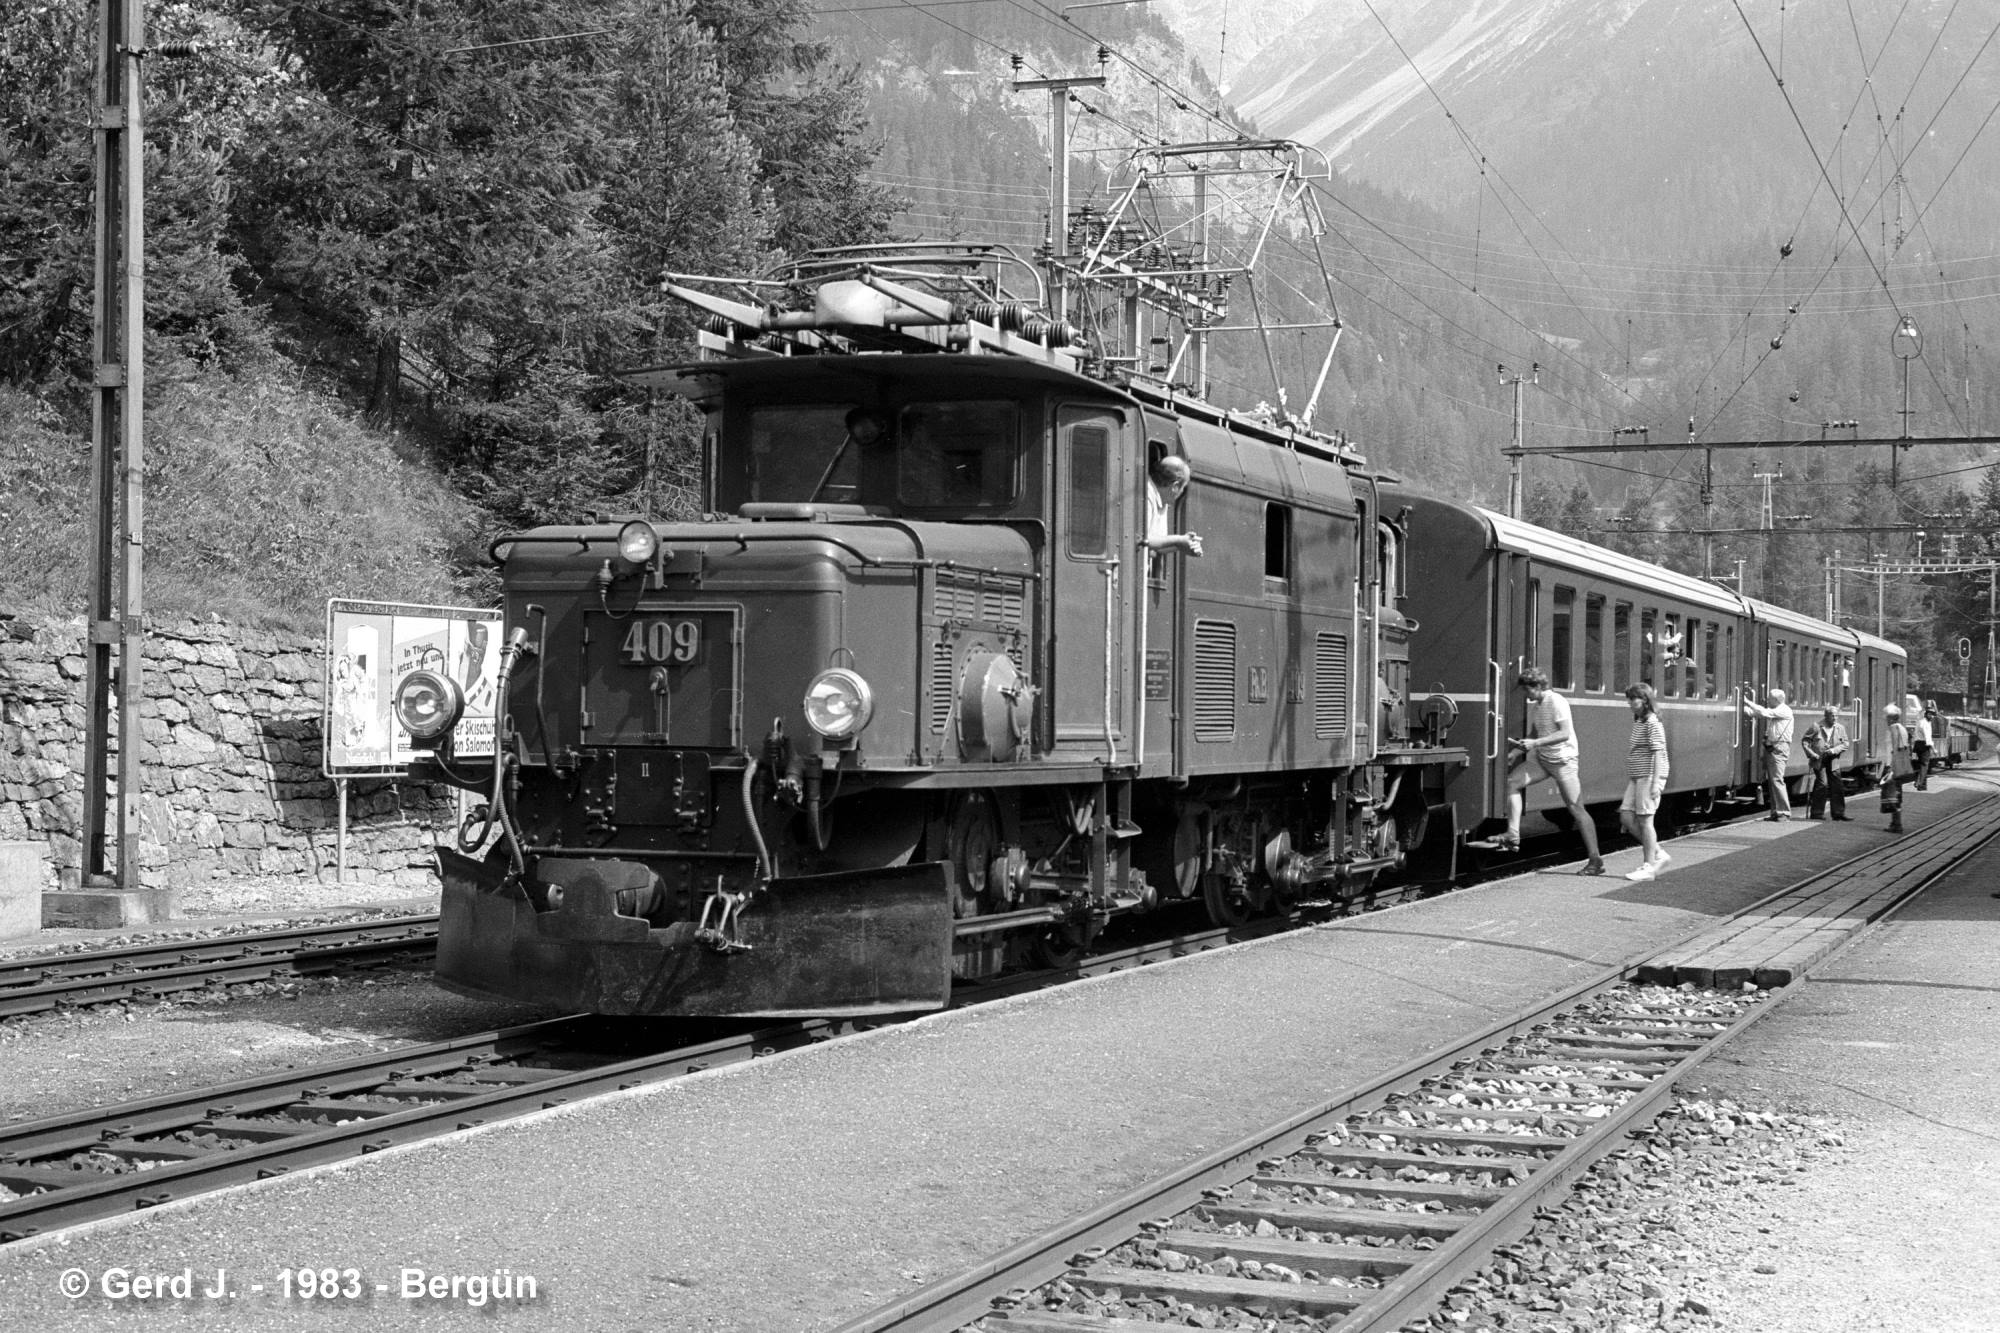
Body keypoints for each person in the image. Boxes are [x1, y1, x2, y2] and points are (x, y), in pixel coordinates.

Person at [1503, 665, 1606, 874]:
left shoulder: (1556, 701)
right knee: (1512, 782)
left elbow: (1565, 733)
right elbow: (1534, 733)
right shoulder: (1538, 706)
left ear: (1538, 686)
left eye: (1527, 689)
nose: (1525, 693)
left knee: (1576, 809)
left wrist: (1536, 743)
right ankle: (1513, 834)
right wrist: (1516, 751)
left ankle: (1596, 860)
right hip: (1543, 760)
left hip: (1563, 761)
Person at [1619, 683, 1670, 881]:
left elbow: (1658, 752)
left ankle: (1649, 867)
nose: (1629, 703)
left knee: (1645, 820)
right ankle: (1658, 853)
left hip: (1649, 776)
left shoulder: (1652, 722)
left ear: (1645, 700)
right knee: (1626, 816)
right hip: (1638, 776)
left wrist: (1656, 783)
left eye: (1633, 699)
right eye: (1629, 700)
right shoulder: (1640, 721)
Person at [1740, 685, 1796, 820]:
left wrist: (1747, 701)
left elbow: (1764, 712)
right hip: (1773, 747)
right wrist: (1739, 706)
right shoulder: (1776, 710)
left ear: (1776, 700)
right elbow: (1756, 713)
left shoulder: (1784, 710)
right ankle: (1776, 812)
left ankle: (1784, 812)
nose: (1767, 700)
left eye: (1769, 698)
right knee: (1773, 781)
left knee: (1777, 780)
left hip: (1780, 747)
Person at [1144, 455, 1204, 567]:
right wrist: (1178, 540)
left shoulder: (1163, 498)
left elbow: (1158, 543)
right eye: (1183, 488)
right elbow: (1144, 538)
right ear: (1175, 486)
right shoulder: (1146, 493)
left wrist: (1183, 544)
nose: (1182, 492)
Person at [1801, 704, 1851, 821]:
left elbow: (1845, 744)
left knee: (1837, 785)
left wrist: (1834, 750)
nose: (1835, 718)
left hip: (1833, 759)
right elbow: (1805, 741)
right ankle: (1817, 813)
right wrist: (1812, 754)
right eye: (1832, 716)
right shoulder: (1816, 727)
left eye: (1836, 716)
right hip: (1819, 760)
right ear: (1826, 716)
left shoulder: (1840, 728)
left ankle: (1838, 813)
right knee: (1822, 784)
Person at [1882, 703, 1912, 834]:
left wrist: (1888, 767)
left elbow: (1891, 750)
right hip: (1902, 766)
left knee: (1892, 794)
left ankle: (1896, 824)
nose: (1886, 720)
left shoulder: (1892, 729)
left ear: (1891, 718)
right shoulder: (1902, 728)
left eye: (1887, 717)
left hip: (1893, 766)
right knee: (1897, 794)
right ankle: (1895, 823)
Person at [1908, 692, 1934, 790]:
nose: (1932, 716)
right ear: (1927, 715)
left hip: (1917, 744)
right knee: (1924, 765)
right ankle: (1919, 783)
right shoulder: (1926, 724)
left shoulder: (1919, 721)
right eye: (1930, 714)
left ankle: (1922, 785)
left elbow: (1915, 735)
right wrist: (1933, 748)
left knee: (1920, 764)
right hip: (1924, 745)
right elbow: (1928, 738)